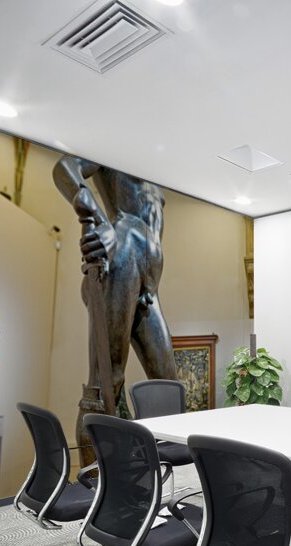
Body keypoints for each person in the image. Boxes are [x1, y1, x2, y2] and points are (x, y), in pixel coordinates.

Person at [53, 156, 177, 424]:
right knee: (105, 385)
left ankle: (149, 457)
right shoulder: (114, 146)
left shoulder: (154, 168)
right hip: (125, 251)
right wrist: (100, 221)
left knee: (171, 387)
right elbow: (64, 168)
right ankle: (93, 467)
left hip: (149, 282)